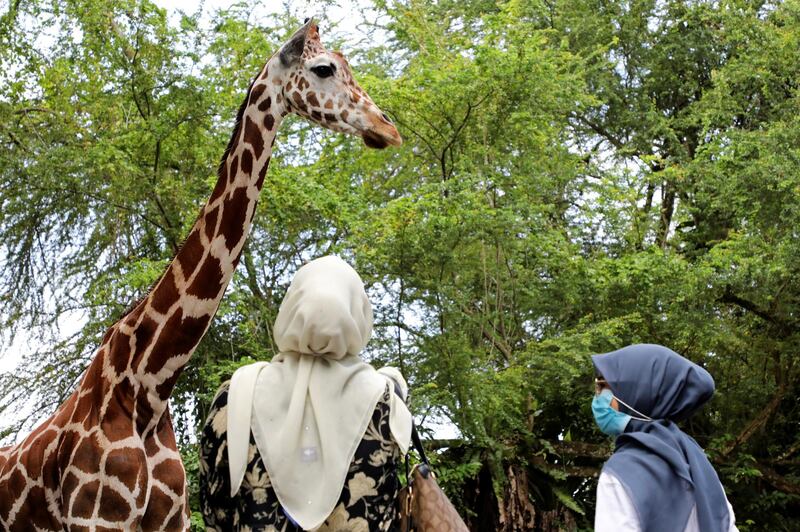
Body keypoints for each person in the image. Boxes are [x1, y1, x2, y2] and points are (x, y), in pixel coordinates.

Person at [199, 256, 412, 531]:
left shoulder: (236, 395)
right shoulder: (386, 400)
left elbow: (212, 504)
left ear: (291, 307)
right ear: (358, 313)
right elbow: (389, 506)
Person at [591, 344, 739, 532]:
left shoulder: (621, 472)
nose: (598, 397)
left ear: (637, 395)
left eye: (603, 387)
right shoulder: (699, 465)